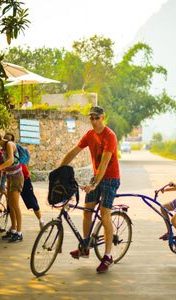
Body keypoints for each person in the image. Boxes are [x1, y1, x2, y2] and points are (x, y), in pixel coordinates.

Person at [60, 106, 120, 273]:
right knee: (87, 211)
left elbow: (105, 162)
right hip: (96, 178)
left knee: (104, 213)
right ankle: (85, 246)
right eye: (91, 118)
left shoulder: (110, 136)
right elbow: (74, 152)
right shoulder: (89, 135)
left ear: (103, 118)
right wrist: (59, 169)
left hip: (110, 179)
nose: (94, 121)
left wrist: (94, 183)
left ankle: (108, 256)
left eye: (96, 118)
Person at [0, 130, 25, 243]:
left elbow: (11, 160)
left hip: (17, 177)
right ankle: (13, 229)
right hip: (10, 176)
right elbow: (7, 163)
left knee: (15, 205)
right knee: (10, 204)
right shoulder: (3, 147)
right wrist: (0, 169)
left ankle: (19, 232)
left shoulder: (8, 144)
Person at [4, 132, 44, 230]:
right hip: (13, 178)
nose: (6, 141)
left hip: (24, 178)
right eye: (5, 139)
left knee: (31, 202)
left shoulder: (14, 151)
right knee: (11, 204)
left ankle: (40, 220)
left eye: (8, 139)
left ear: (13, 142)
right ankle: (14, 226)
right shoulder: (4, 152)